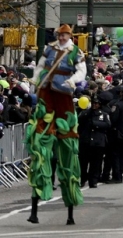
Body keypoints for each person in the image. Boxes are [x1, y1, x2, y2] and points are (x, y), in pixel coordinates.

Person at [26, 24, 86, 225]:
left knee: (68, 149)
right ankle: (35, 207)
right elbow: (41, 66)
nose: (61, 37)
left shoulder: (76, 51)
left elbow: (81, 71)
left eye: (65, 34)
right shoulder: (49, 48)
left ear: (70, 35)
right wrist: (35, 79)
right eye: (59, 34)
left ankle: (70, 209)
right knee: (40, 146)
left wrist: (74, 81)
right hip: (46, 95)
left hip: (64, 97)